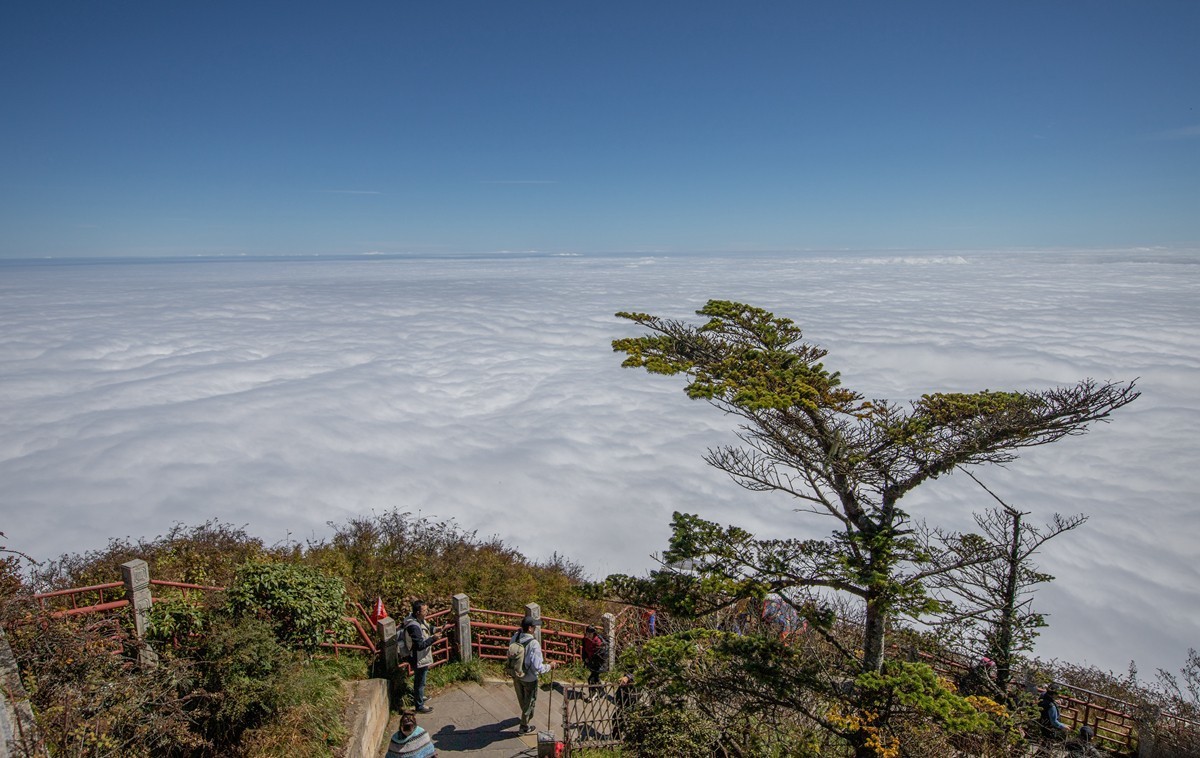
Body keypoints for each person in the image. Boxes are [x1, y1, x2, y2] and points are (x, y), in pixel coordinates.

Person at [509, 615, 557, 735]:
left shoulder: (515, 637)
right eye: (534, 626)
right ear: (530, 628)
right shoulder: (534, 643)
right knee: (529, 702)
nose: (535, 628)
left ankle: (524, 716)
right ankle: (524, 726)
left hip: (516, 674)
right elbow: (538, 667)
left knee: (522, 699)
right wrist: (550, 666)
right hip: (530, 678)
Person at [403, 600, 450, 714]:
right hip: (418, 658)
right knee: (420, 681)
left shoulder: (417, 619)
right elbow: (420, 645)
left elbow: (427, 627)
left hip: (420, 657)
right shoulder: (414, 627)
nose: (427, 612)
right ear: (418, 612)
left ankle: (420, 697)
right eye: (425, 610)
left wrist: (436, 629)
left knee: (420, 680)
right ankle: (419, 706)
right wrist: (433, 638)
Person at [581, 625, 608, 698]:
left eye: (590, 633)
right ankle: (602, 692)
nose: (588, 635)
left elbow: (600, 655)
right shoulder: (585, 639)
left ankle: (592, 694)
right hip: (591, 661)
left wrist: (593, 660)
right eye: (587, 633)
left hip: (599, 663)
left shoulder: (598, 641)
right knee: (595, 678)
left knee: (591, 679)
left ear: (594, 633)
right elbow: (584, 650)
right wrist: (585, 658)